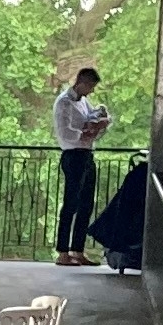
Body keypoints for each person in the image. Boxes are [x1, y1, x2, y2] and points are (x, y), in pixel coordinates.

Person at [52, 67, 112, 266]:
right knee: (71, 203)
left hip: (86, 154)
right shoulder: (63, 103)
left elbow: (91, 118)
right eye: (91, 86)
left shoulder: (84, 102)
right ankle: (62, 251)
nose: (92, 91)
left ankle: (77, 249)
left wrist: (100, 122)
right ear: (81, 83)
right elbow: (65, 133)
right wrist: (87, 131)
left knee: (86, 204)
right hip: (73, 155)